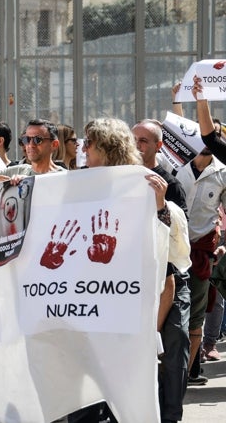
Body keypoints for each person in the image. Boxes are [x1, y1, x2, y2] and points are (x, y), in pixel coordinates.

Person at [65, 117, 189, 423]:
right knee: (86, 390)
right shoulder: (75, 183)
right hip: (86, 303)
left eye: (89, 143)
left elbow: (167, 257)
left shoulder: (147, 185)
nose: (83, 148)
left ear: (105, 148)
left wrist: (159, 206)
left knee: (126, 388)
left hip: (124, 305)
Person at [132, 119, 191, 423]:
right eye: (134, 139)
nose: (137, 145)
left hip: (169, 280)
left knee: (175, 342)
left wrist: (160, 205)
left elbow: (175, 244)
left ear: (158, 146)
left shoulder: (171, 185)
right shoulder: (123, 178)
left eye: (143, 140)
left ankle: (170, 415)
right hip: (132, 280)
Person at [172, 76, 226, 386]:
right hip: (172, 249)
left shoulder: (222, 172)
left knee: (197, 311)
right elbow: (183, 134)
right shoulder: (177, 163)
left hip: (201, 252)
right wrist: (182, 100)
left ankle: (190, 369)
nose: (207, 139)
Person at [0, 119, 65, 179]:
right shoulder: (16, 171)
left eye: (38, 140)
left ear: (54, 144)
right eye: (27, 139)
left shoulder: (64, 177)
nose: (31, 145)